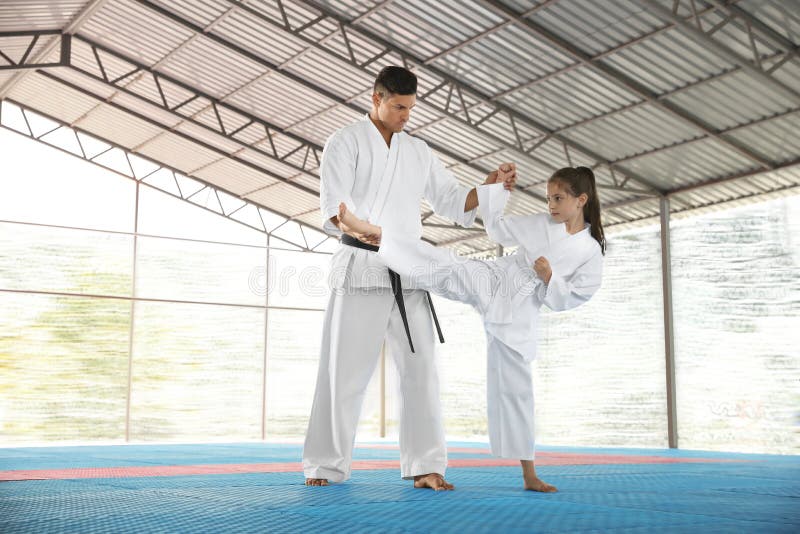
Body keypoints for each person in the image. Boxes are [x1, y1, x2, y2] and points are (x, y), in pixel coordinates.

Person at [303, 65, 516, 490]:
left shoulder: (417, 150)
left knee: (421, 370)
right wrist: (354, 224)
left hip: (409, 270)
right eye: (398, 106)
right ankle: (325, 466)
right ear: (375, 98)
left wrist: (489, 186)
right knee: (343, 372)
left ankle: (426, 465)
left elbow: (455, 203)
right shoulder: (344, 142)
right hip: (362, 268)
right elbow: (335, 208)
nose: (405, 115)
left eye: (411, 108)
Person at [335, 166, 606, 492]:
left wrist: (551, 278)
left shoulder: (590, 251)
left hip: (520, 311)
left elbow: (578, 294)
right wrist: (497, 193)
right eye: (549, 198)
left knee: (518, 390)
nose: (551, 206)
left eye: (558, 199)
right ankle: (375, 234)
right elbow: (499, 230)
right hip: (495, 278)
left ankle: (529, 475)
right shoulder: (541, 224)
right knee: (446, 265)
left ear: (581, 200)